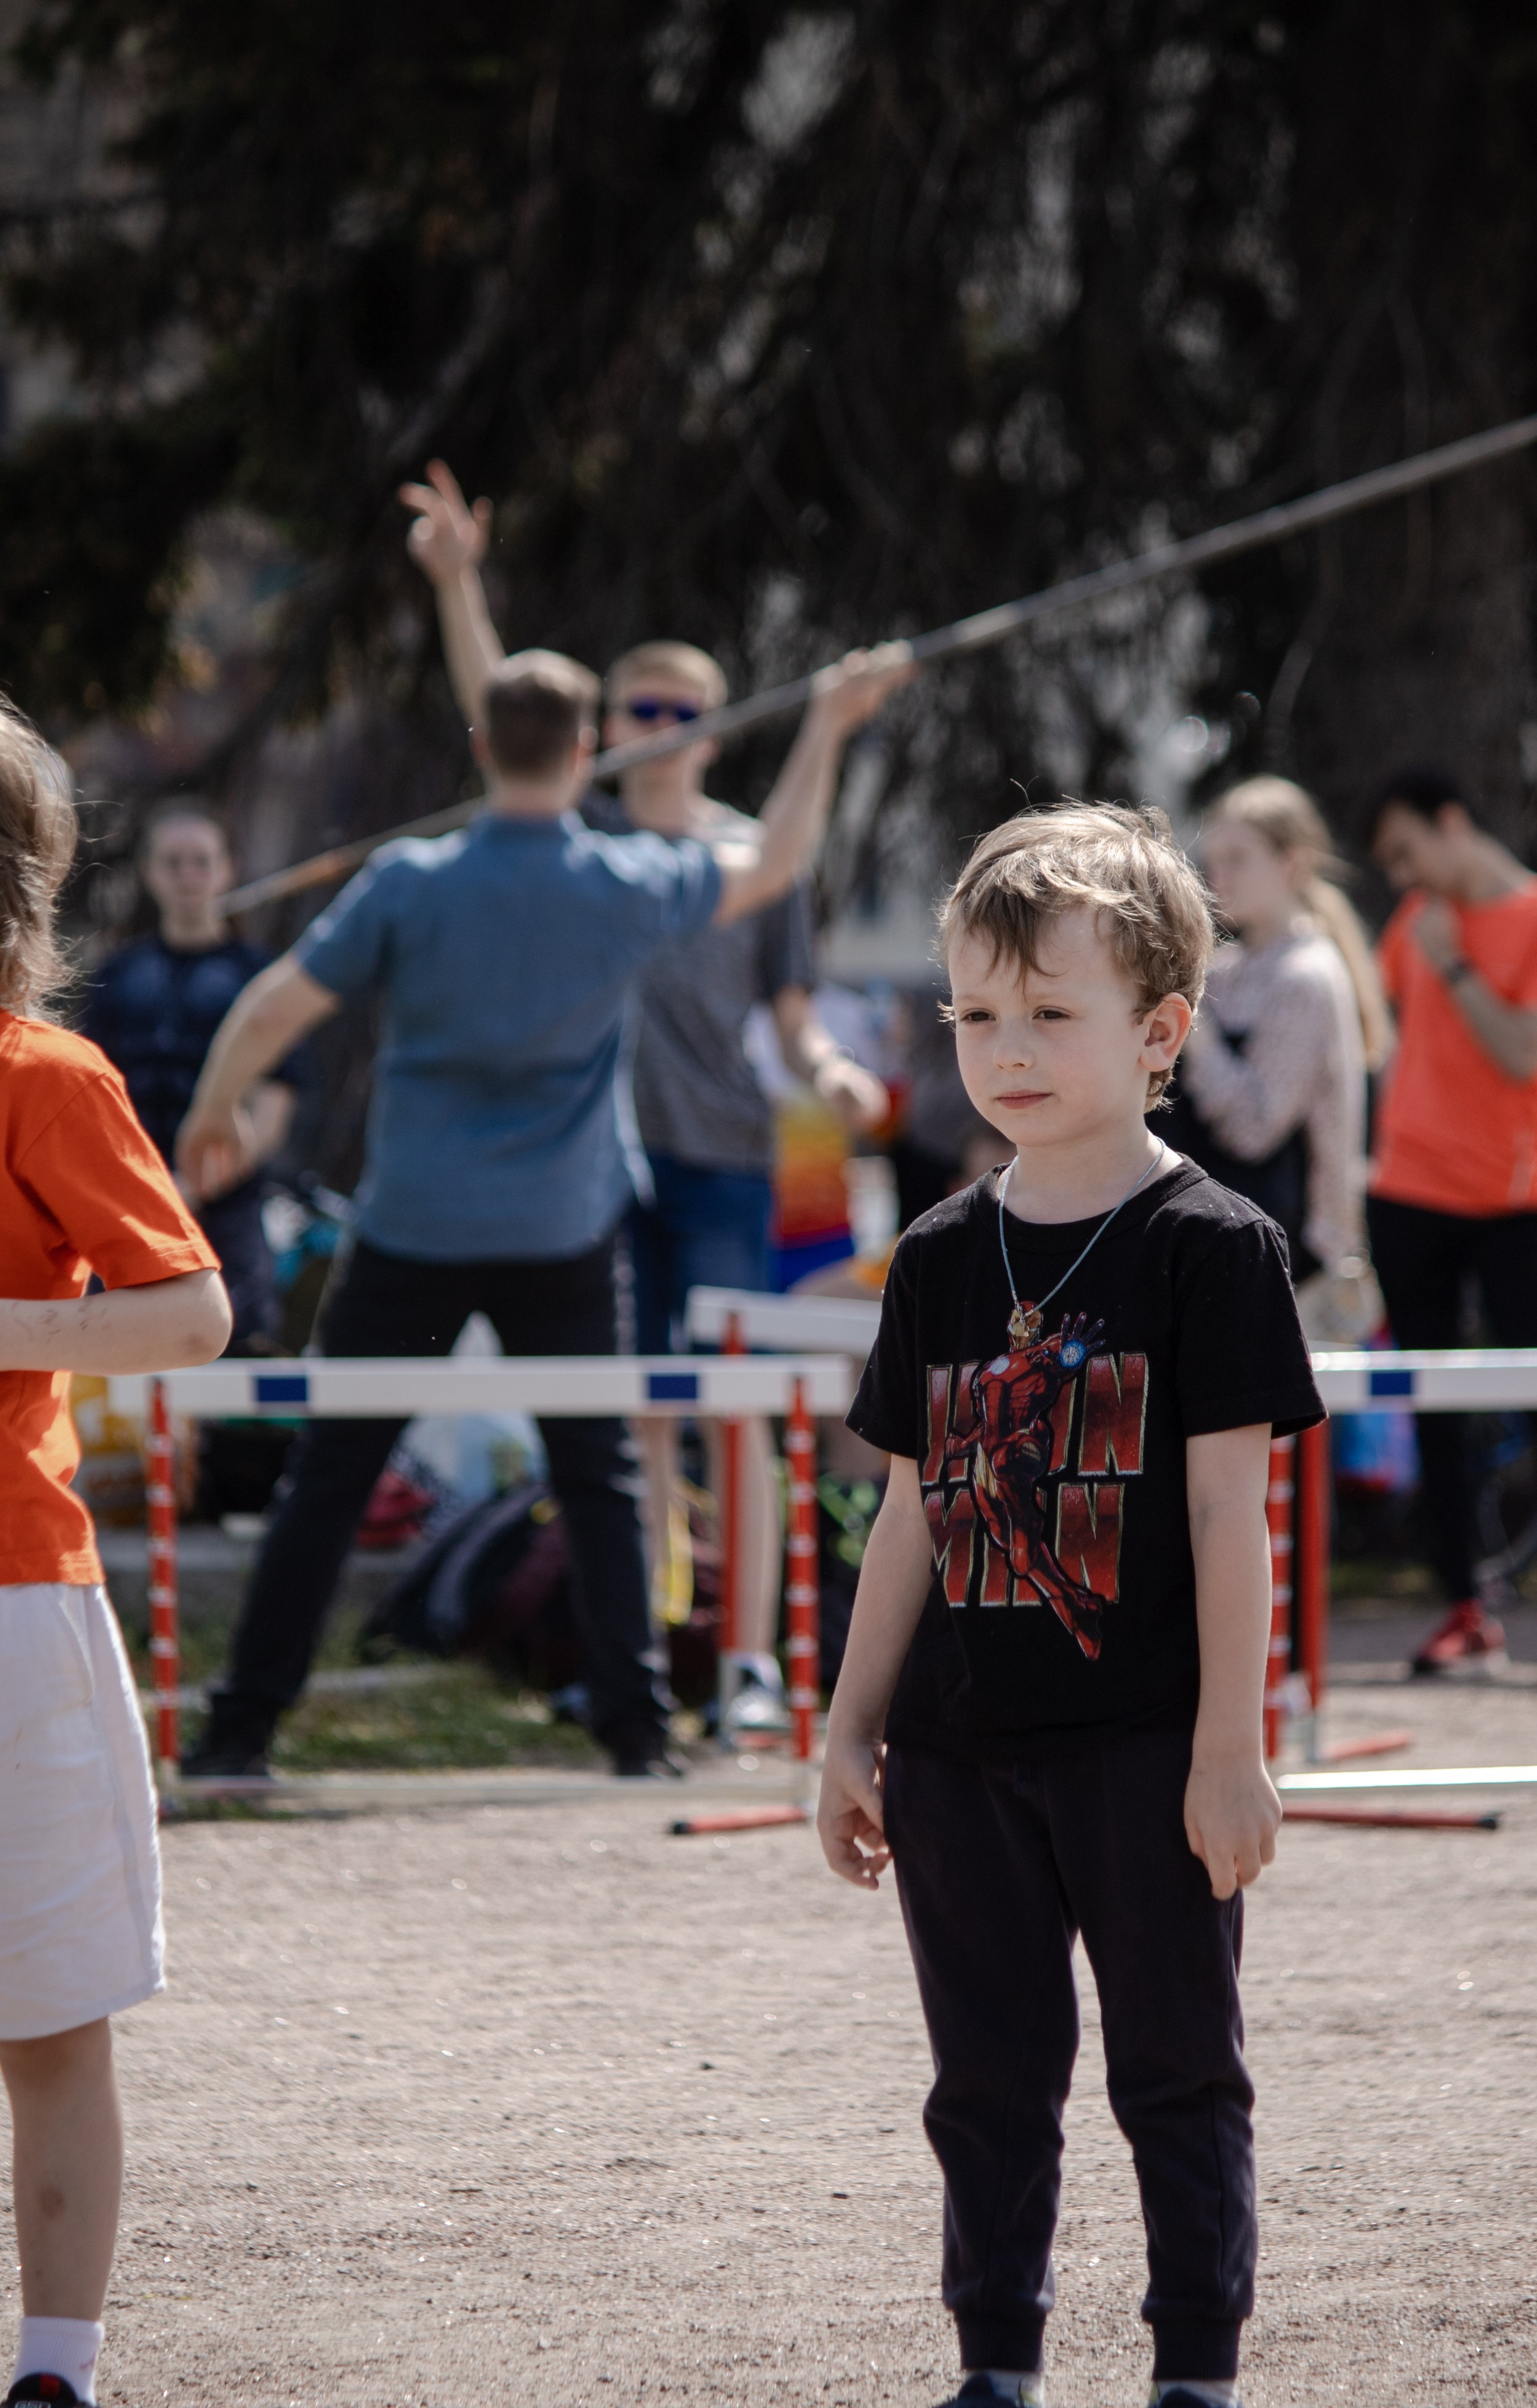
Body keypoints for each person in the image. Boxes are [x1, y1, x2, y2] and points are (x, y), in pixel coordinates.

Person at [174, 606, 908, 1782]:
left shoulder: (410, 881)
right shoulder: (627, 880)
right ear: (586, 755)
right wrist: (825, 724)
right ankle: (634, 1735)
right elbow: (775, 864)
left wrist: (215, 1110)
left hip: (414, 1228)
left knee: (331, 1481)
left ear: (483, 751)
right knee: (599, 1474)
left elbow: (272, 1004)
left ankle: (239, 1734)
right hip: (561, 1236)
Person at [818, 804, 1323, 2408]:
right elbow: (905, 1504)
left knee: (1174, 2069)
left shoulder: (1214, 1245)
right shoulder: (935, 1254)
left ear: (1158, 1027)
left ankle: (1195, 2372)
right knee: (984, 2082)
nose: (1004, 1047)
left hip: (1140, 1747)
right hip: (957, 1755)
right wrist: (844, 1728)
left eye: (1049, 1010)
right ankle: (998, 2364)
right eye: (975, 1012)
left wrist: (1224, 1748)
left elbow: (1226, 1512)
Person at [403, 460, 890, 1714]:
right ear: (600, 731)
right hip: (600, 1170)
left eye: (679, 709)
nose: (655, 726)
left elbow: (793, 1024)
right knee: (632, 1425)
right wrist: (460, 584)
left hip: (723, 1163)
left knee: (737, 1414)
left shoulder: (745, 859)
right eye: (634, 709)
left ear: (713, 730)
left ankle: (747, 1663)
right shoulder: (582, 844)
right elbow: (494, 708)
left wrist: (832, 1074)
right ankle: (650, 1649)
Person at [0, 702, 231, 2408]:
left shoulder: (48, 1078)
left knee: (47, 2019)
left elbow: (192, 1314)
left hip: (16, 1600)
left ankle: (56, 2371)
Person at [1365, 766, 1537, 1671]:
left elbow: (1522, 1056)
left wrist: (1454, 960)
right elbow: (1401, 1034)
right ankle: (1465, 1605)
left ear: (1452, 823)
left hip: (1509, 1201)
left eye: (1405, 850)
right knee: (1429, 1407)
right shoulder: (1415, 923)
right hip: (1406, 1196)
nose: (1398, 874)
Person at [81, 804, 308, 1353]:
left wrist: (192, 1189)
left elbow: (272, 1112)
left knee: (239, 1360)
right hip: (126, 1211)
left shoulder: (258, 979)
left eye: (201, 862)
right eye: (174, 863)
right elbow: (88, 1098)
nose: (189, 875)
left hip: (226, 1211)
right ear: (151, 873)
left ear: (226, 869)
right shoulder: (117, 976)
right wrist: (146, 1193)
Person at [1169, 776, 1387, 1326]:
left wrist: (1189, 1026)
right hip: (1226, 1241)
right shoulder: (1229, 969)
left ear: (1291, 863)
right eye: (1214, 861)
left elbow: (1254, 1126)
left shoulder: (1306, 976)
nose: (1220, 878)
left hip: (1286, 1259)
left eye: (1239, 858)